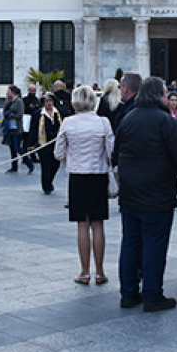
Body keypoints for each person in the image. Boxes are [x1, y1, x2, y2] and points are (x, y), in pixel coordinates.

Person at [116, 76, 177, 313]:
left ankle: (128, 293)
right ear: (159, 95)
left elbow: (115, 153)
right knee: (154, 246)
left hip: (130, 194)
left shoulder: (128, 118)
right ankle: (152, 295)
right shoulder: (164, 121)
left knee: (130, 243)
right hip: (157, 194)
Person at [55, 85, 115, 285]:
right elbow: (110, 151)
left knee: (82, 224)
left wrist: (71, 157)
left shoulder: (68, 123)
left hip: (78, 177)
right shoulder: (103, 122)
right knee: (98, 223)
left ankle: (84, 271)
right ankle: (100, 271)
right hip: (98, 175)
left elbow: (58, 153)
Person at [30, 93, 64, 195]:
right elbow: (33, 129)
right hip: (44, 143)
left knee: (56, 164)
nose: (49, 103)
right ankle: (46, 186)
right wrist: (31, 144)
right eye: (46, 101)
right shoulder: (38, 114)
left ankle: (50, 181)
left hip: (56, 143)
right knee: (46, 166)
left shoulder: (59, 113)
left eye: (50, 101)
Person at [2, 85, 30, 173]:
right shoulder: (11, 101)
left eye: (9, 91)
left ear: (13, 92)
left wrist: (11, 116)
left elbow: (20, 114)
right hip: (10, 128)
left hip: (17, 128)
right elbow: (4, 112)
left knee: (17, 147)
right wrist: (7, 102)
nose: (7, 93)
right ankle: (14, 167)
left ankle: (29, 163)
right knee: (12, 149)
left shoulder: (19, 101)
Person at [22, 84, 41, 169]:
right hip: (27, 121)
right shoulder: (25, 100)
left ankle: (33, 156)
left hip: (34, 122)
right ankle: (25, 156)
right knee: (26, 140)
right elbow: (23, 109)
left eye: (34, 90)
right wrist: (29, 107)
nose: (33, 92)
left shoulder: (37, 100)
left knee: (33, 140)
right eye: (32, 90)